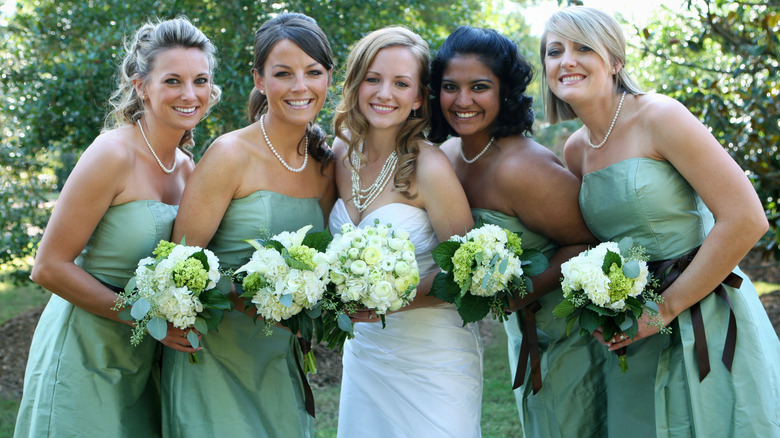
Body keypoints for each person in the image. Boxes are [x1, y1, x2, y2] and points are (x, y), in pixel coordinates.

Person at [542, 6, 780, 437]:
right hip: (632, 325)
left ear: (615, 60)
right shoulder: (575, 150)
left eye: (583, 48)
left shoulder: (660, 116)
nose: (566, 60)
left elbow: (746, 218)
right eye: (554, 51)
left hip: (703, 314)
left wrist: (664, 309)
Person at [14, 17, 220, 437]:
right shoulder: (112, 154)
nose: (190, 94)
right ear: (141, 85)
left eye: (200, 81)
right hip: (83, 352)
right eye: (173, 80)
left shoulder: (187, 169)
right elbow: (48, 267)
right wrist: (146, 318)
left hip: (143, 359)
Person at [159, 13, 335, 438]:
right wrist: (256, 297)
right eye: (283, 73)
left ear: (329, 77)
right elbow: (178, 267)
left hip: (280, 359)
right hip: (214, 359)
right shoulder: (230, 154)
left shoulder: (325, 164)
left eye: (313, 72)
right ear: (259, 79)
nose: (300, 86)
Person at [430, 26, 605, 438]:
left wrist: (514, 295)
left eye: (479, 87)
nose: (462, 101)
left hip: (569, 337)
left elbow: (588, 242)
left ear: (505, 90)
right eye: (450, 87)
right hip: (525, 336)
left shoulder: (524, 167)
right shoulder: (448, 155)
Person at [328, 26, 482, 438]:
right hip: (366, 352)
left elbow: (466, 271)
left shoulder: (430, 167)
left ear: (417, 97)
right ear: (356, 84)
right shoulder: (340, 153)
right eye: (373, 79)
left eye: (400, 83)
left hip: (432, 355)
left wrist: (391, 300)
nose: (384, 93)